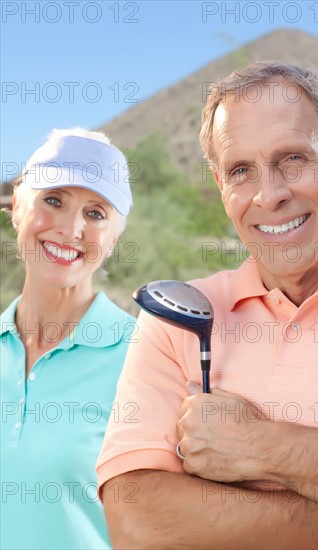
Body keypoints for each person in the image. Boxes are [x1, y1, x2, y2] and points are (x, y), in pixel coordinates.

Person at [97, 62, 318, 548]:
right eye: (241, 170)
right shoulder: (174, 317)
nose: (270, 195)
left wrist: (262, 447)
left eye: (292, 160)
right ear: (222, 187)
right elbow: (136, 519)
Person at [0, 127, 136, 549]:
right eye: (53, 201)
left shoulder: (144, 357)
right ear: (17, 208)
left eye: (96, 214)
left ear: (112, 239)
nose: (70, 228)